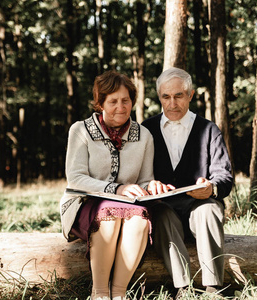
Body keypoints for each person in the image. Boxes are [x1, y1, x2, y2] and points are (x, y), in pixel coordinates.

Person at [60, 70, 169, 300]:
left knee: (140, 219)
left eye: (125, 100)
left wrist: (153, 186)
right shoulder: (80, 130)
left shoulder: (145, 136)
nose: (120, 106)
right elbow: (76, 179)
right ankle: (99, 293)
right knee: (108, 216)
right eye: (113, 101)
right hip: (84, 202)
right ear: (100, 103)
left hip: (130, 207)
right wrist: (116, 189)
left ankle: (119, 293)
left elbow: (144, 180)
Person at [142, 67, 233, 296]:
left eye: (178, 95)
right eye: (166, 97)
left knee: (209, 211)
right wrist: (149, 185)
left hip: (199, 205)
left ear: (190, 95)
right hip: (165, 208)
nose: (172, 103)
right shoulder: (146, 130)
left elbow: (224, 176)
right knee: (160, 215)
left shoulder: (209, 130)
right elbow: (135, 175)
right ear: (159, 97)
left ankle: (213, 287)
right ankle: (183, 288)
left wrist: (211, 188)